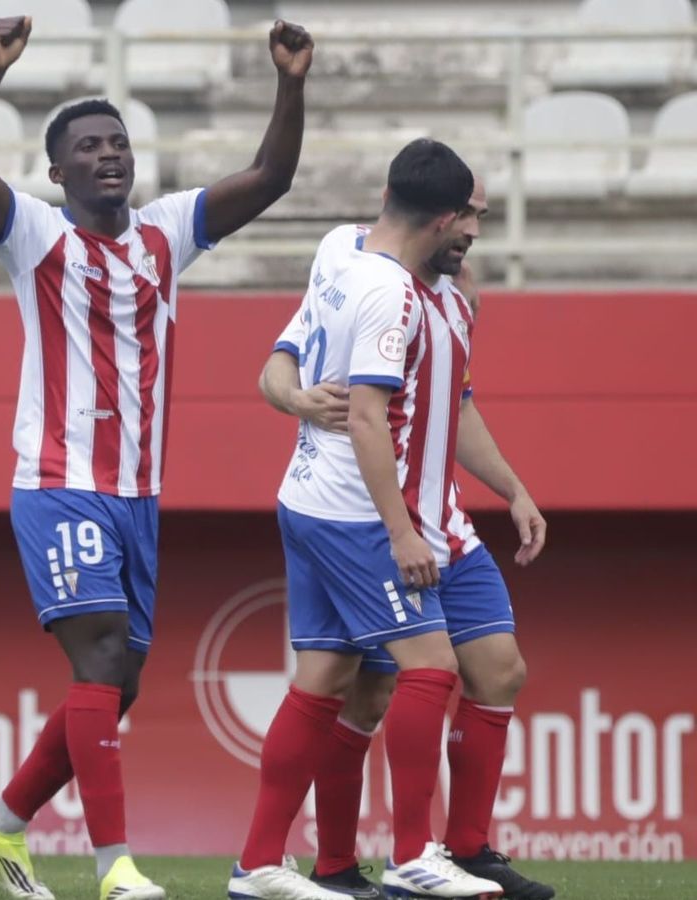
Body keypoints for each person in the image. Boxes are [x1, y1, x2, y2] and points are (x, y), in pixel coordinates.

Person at [0, 14, 313, 900]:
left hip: (138, 494)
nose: (109, 155)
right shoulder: (34, 235)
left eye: (118, 143)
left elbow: (271, 177)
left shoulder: (165, 232)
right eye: (89, 147)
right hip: (60, 483)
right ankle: (115, 871)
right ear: (56, 169)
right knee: (102, 657)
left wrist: (291, 82)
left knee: (120, 684)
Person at [225, 139, 509, 900]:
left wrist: (282, 390)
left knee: (323, 679)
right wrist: (402, 530)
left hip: (315, 499)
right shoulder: (389, 291)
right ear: (445, 216)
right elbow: (365, 418)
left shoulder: (344, 252)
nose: (477, 234)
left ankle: (257, 865)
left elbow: (285, 359)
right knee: (432, 669)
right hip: (359, 510)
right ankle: (415, 856)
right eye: (473, 218)